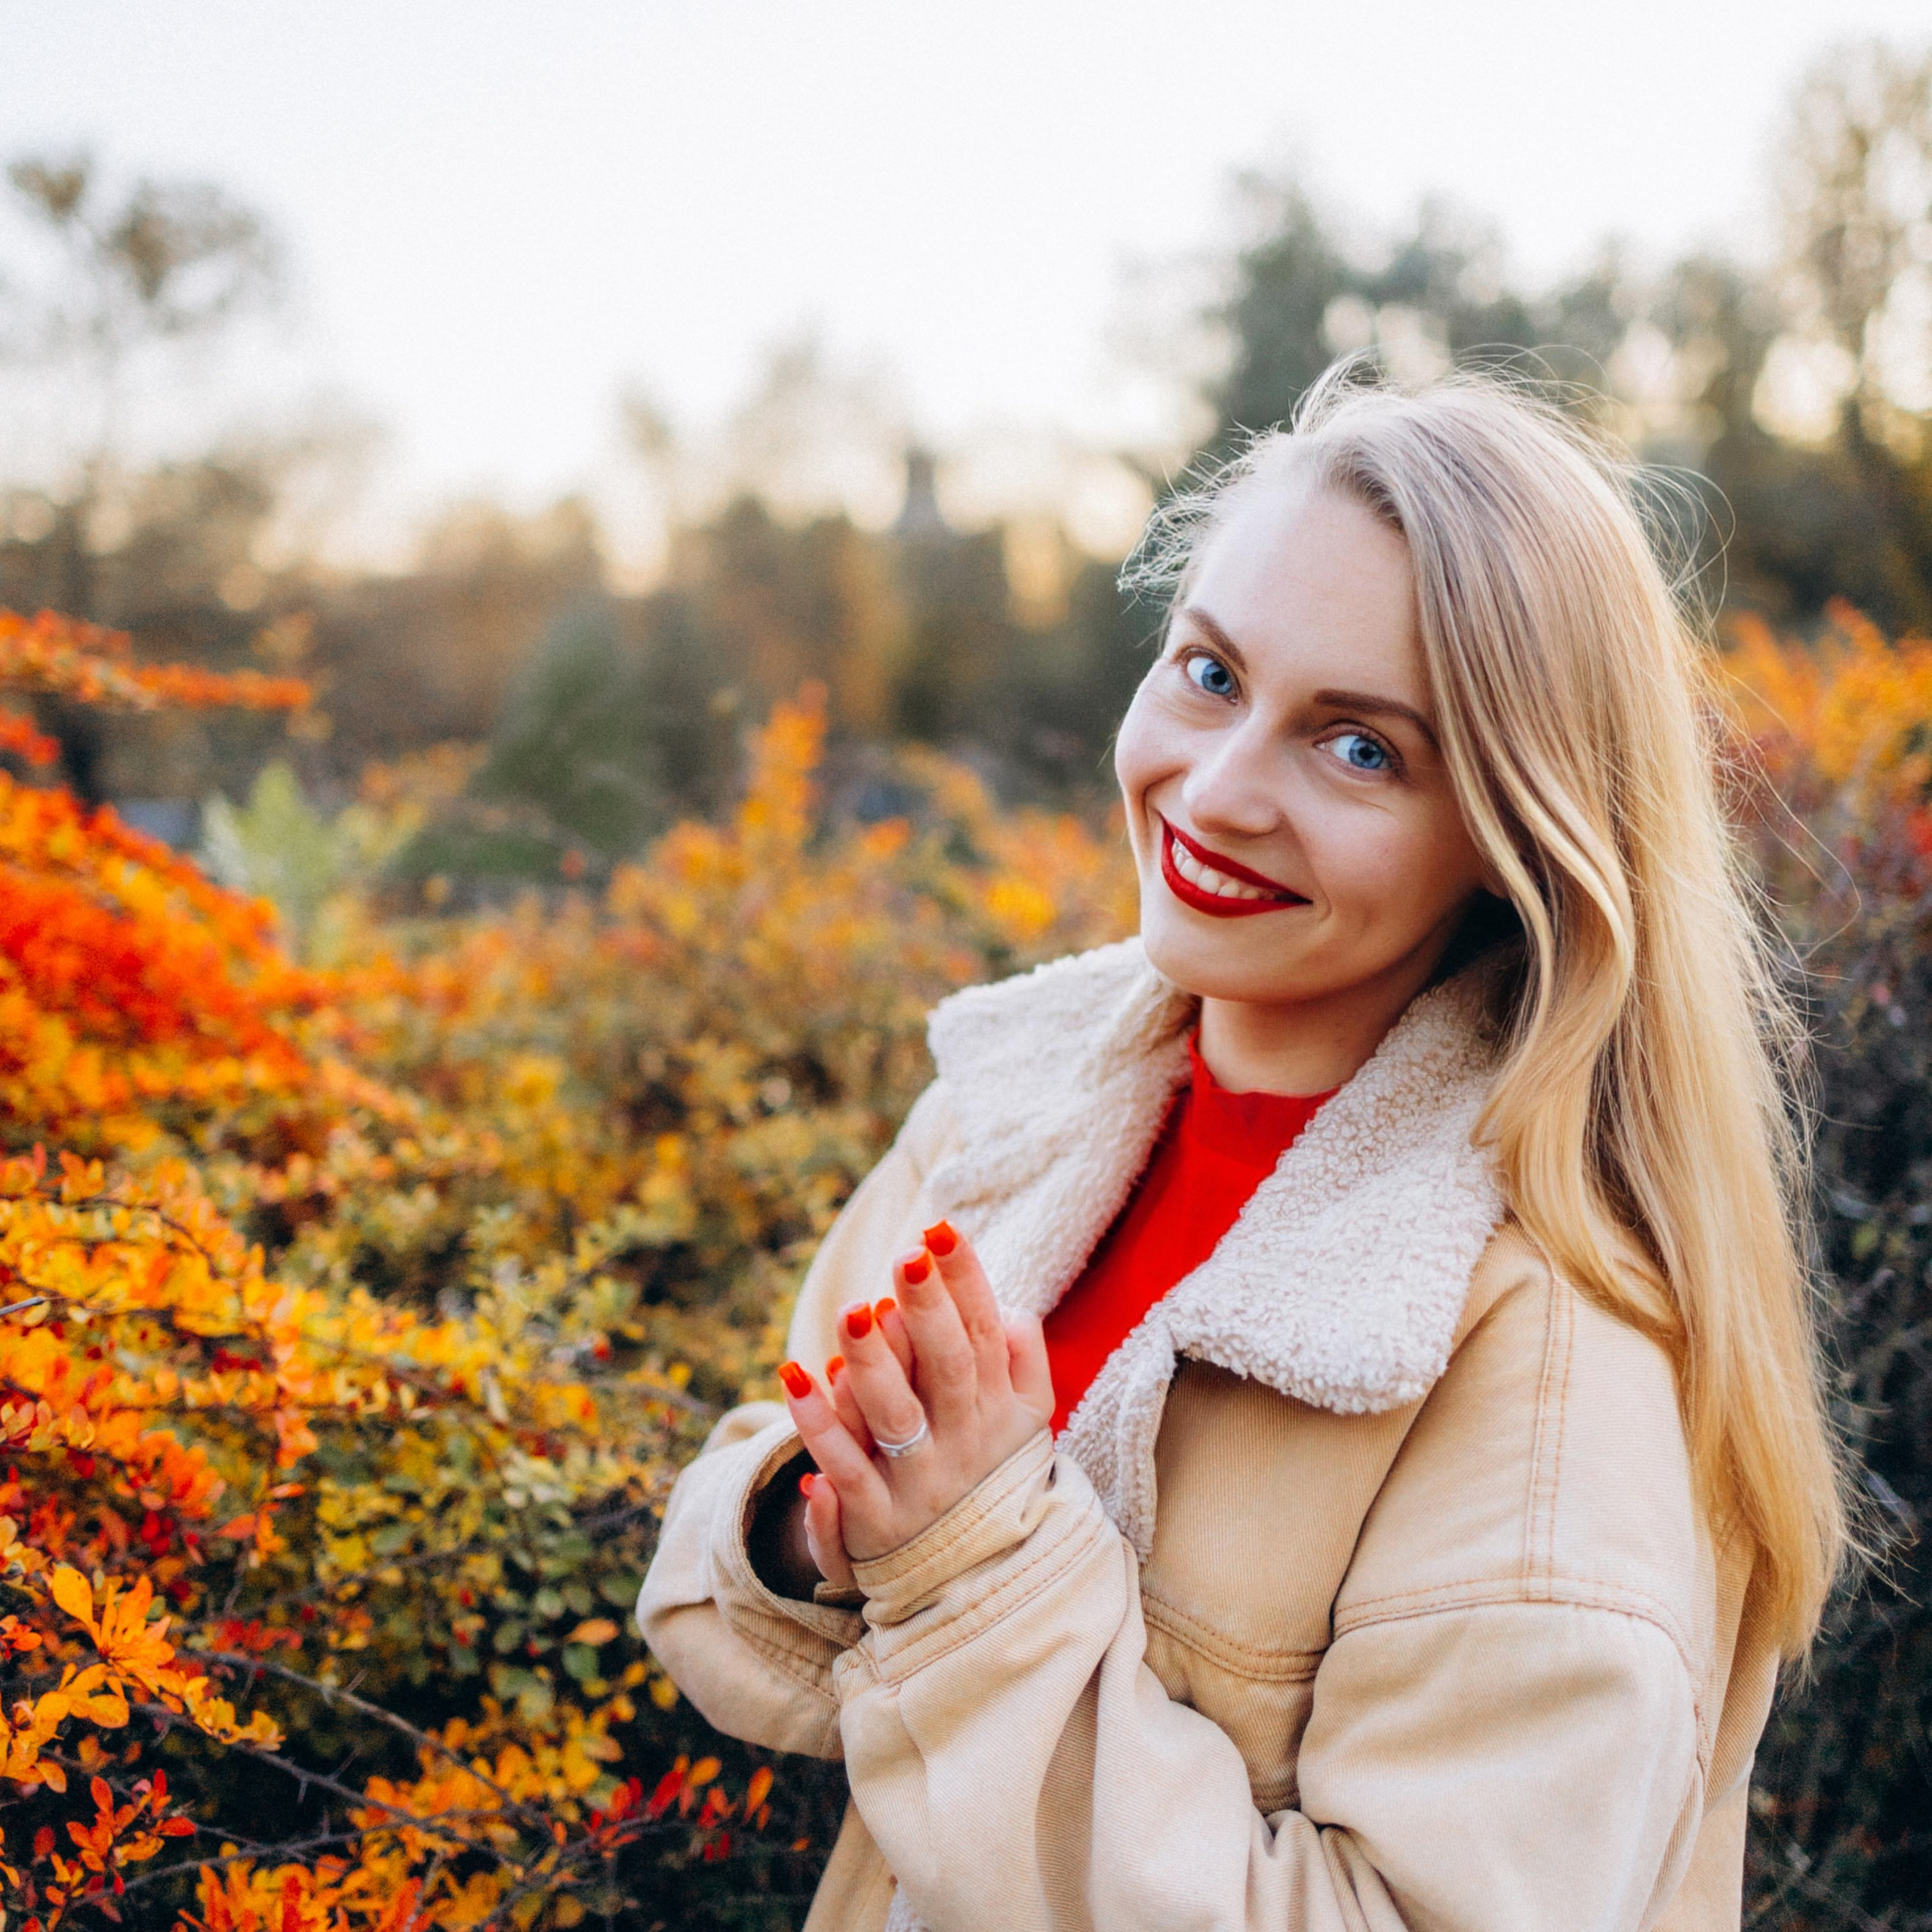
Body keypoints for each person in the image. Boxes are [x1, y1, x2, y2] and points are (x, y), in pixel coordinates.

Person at [638, 366, 1850, 1932]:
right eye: (1208, 671)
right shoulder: (1017, 1101)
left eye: (1359, 750)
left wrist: (961, 1560)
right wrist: (814, 1522)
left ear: (1511, 835)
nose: (1213, 789)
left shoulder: (1546, 1351)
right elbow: (750, 1596)